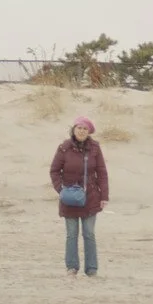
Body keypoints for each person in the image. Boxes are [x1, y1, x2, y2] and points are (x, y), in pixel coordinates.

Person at [48, 116, 109, 276]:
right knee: (71, 234)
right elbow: (54, 170)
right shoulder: (64, 148)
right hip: (69, 198)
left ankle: (92, 269)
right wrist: (61, 189)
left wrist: (104, 196)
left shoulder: (95, 148)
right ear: (73, 129)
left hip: (91, 197)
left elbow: (102, 173)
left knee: (89, 233)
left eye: (85, 129)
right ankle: (72, 267)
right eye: (79, 128)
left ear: (89, 132)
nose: (82, 131)